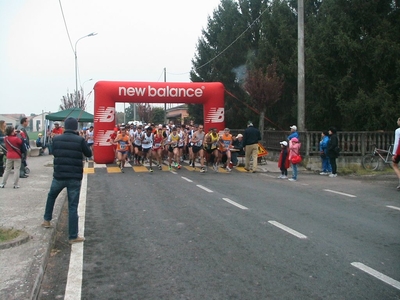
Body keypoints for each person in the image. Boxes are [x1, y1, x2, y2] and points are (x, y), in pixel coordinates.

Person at [42, 117, 92, 244]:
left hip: (59, 175)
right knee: (73, 206)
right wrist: (82, 140)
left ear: (65, 127)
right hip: (74, 177)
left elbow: (53, 152)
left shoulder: (56, 139)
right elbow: (88, 154)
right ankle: (73, 236)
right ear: (75, 127)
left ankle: (47, 220)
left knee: (51, 196)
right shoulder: (80, 140)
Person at [392, 117, 400, 190]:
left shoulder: (398, 131)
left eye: (397, 120)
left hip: (399, 151)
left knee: (394, 165)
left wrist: (394, 153)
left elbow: (397, 142)